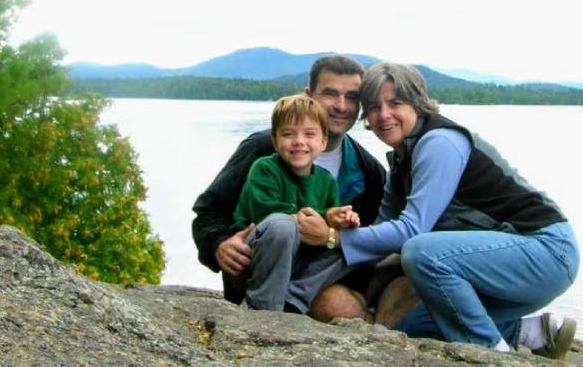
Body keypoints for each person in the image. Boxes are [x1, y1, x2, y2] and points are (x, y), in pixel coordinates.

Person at [328, 62, 578, 357]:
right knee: (411, 326)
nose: (383, 115)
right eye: (373, 106)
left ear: (418, 103)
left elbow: (411, 230)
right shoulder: (401, 160)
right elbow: (379, 233)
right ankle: (535, 331)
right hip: (505, 263)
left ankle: (493, 354)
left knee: (421, 252)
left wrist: (333, 237)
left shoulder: (439, 142)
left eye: (395, 103)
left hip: (546, 251)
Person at [192, 55, 387, 321]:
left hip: (312, 276)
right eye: (330, 94)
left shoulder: (369, 171)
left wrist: (334, 232)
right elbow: (208, 211)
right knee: (283, 228)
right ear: (309, 95)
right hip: (258, 264)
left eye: (352, 97)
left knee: (346, 303)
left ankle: (292, 303)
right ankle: (263, 310)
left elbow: (368, 241)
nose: (342, 106)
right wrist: (218, 244)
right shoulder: (262, 150)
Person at [232, 94, 361, 312]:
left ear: (323, 142)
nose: (299, 141)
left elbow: (326, 228)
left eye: (309, 134)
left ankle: (294, 299)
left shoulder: (327, 180)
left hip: (298, 264)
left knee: (355, 245)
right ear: (275, 141)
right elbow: (267, 215)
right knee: (283, 225)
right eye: (288, 134)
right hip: (256, 259)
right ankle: (262, 306)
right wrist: (325, 216)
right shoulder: (264, 168)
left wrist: (342, 220)